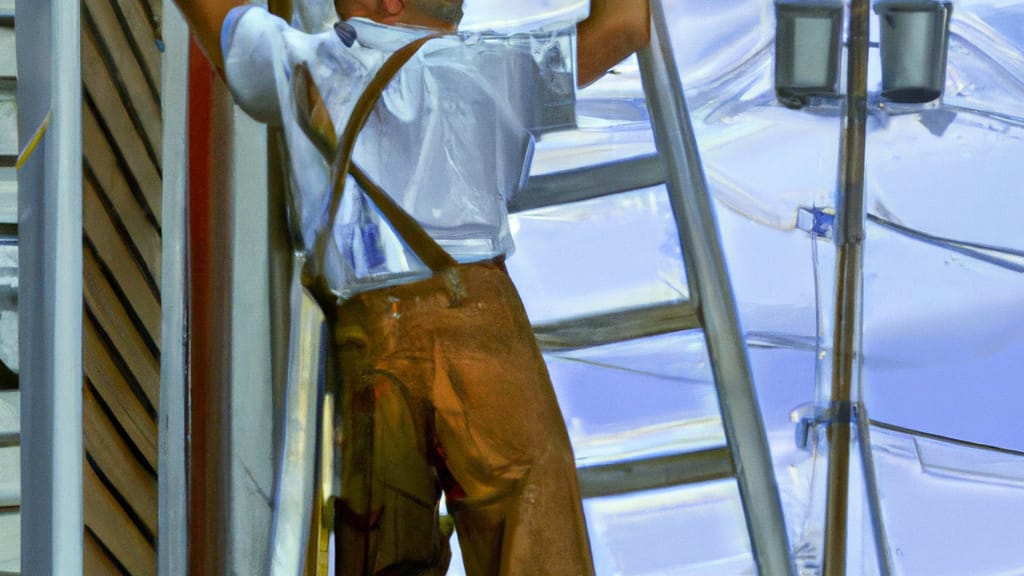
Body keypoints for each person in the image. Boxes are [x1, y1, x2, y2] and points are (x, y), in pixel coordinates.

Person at [172, 0, 650, 573]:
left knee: (383, 549)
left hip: (370, 339)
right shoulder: (498, 64)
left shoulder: (306, 63)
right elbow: (623, 26)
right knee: (534, 523)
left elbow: (218, 18)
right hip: (479, 323)